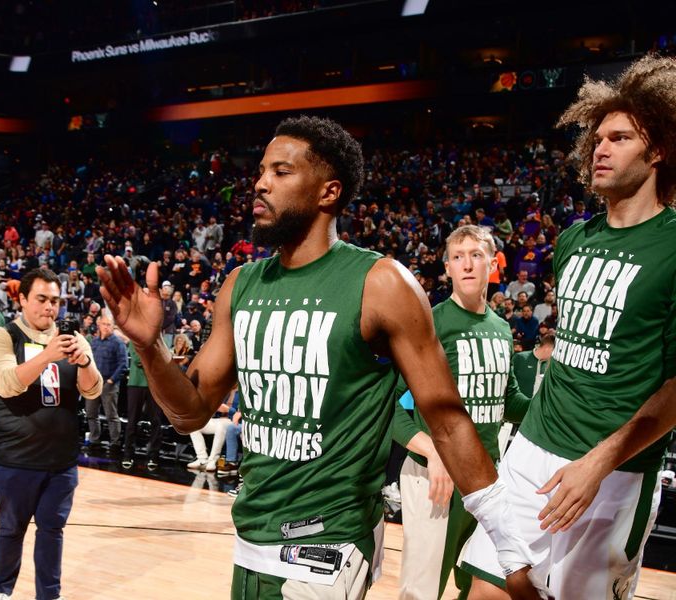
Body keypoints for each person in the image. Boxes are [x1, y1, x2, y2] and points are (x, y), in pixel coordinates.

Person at [98, 116, 538, 598]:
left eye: (281, 172)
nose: (260, 183)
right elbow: (190, 412)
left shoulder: (382, 284)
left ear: (328, 193)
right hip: (251, 536)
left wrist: (506, 541)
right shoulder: (240, 286)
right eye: (262, 170)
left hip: (330, 545)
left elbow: (449, 420)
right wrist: (148, 344)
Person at [462, 55, 676, 600]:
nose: (600, 148)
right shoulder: (573, 240)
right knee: (489, 591)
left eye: (621, 138)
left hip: (614, 468)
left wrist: (598, 462)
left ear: (659, 151)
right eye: (598, 138)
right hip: (533, 448)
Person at [391, 225, 529, 600]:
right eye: (457, 257)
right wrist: (431, 450)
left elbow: (509, 402)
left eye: (476, 255)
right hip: (436, 478)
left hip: (486, 479)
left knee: (484, 587)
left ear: (493, 265)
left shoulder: (502, 328)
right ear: (447, 269)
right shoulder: (431, 321)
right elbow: (389, 405)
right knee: (423, 591)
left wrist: (556, 405)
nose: (467, 264)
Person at [0, 268, 102, 600]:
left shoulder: (74, 340)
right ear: (22, 300)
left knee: (53, 532)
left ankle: (49, 596)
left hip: (61, 461)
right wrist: (48, 355)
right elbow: (5, 383)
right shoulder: (4, 337)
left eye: (55, 300)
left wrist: (84, 362)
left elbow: (93, 391)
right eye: (41, 299)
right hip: (16, 458)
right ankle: (1, 592)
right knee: (11, 530)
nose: (50, 307)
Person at [86, 309, 128, 452]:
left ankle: (115, 442)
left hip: (109, 383)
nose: (106, 327)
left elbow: (123, 364)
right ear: (99, 325)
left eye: (109, 324)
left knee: (111, 414)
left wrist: (111, 380)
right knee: (91, 413)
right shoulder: (95, 342)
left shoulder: (118, 343)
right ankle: (94, 440)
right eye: (104, 324)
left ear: (113, 326)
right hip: (93, 383)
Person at [122, 342, 165, 470]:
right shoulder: (134, 339)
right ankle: (128, 455)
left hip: (155, 385)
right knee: (132, 420)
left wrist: (152, 359)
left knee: (156, 421)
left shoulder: (159, 340)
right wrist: (153, 359)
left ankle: (154, 455)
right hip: (135, 384)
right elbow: (137, 360)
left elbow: (162, 361)